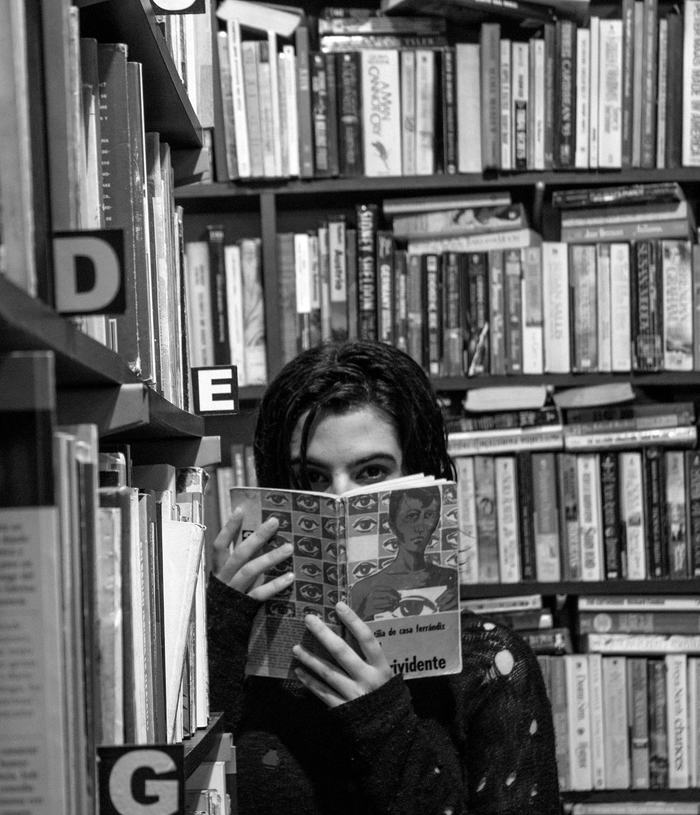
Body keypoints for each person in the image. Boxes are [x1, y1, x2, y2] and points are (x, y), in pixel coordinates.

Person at [207, 339, 561, 815]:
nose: (339, 498)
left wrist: (381, 717)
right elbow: (184, 785)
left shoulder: (490, 666)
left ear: (422, 476)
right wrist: (221, 625)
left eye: (372, 471)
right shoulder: (240, 646)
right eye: (312, 477)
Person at [350, 484, 459, 621]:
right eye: (412, 516)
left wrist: (457, 613)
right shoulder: (363, 589)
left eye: (429, 515)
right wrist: (364, 614)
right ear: (392, 524)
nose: (420, 527)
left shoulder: (450, 578)